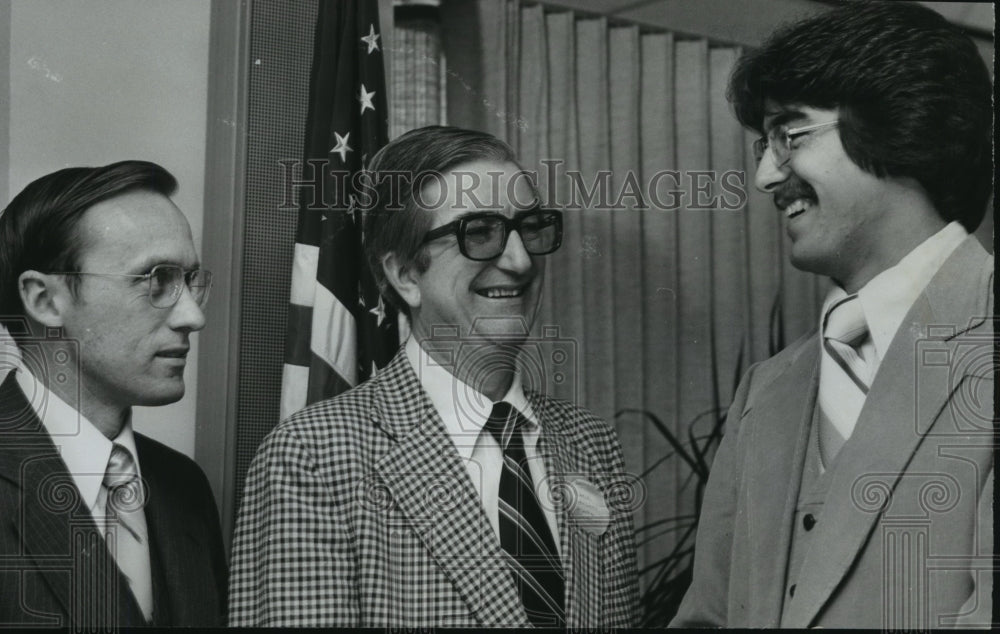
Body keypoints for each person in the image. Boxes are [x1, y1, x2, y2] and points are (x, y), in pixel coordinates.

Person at [229, 125, 640, 627]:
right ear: (405, 274)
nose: (520, 260)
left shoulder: (593, 443)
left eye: (530, 227)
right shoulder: (313, 456)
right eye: (480, 233)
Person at [672, 2, 993, 629]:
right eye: (763, 145)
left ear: (905, 124)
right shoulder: (766, 392)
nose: (766, 175)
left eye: (791, 135)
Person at [0, 161, 227, 627]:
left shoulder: (183, 485)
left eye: (190, 281)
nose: (192, 316)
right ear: (45, 300)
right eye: (156, 280)